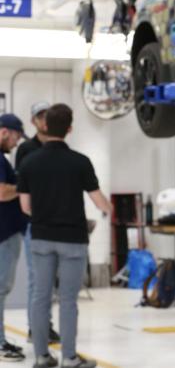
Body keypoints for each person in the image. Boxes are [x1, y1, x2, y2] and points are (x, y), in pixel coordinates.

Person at [17, 104, 112, 368]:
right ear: (69, 129)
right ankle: (69, 358)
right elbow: (98, 200)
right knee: (69, 300)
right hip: (73, 240)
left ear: (44, 126)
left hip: (41, 238)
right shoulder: (80, 162)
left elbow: (25, 207)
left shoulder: (29, 162)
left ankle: (41, 356)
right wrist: (108, 210)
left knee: (40, 297)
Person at [15, 101, 61, 344]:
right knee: (37, 278)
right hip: (35, 222)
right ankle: (36, 328)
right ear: (33, 121)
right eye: (40, 116)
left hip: (57, 222)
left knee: (50, 278)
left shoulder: (59, 146)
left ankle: (46, 325)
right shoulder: (26, 149)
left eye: (48, 116)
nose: (45, 120)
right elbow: (24, 186)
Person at [0, 114, 29, 362]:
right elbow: (1, 192)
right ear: (4, 132)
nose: (16, 143)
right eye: (16, 137)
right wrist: (25, 186)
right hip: (4, 235)